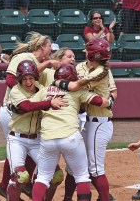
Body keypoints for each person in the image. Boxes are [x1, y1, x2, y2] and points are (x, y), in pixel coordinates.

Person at [31, 64, 114, 201]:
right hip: (70, 137)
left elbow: (29, 105)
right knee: (82, 176)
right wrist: (109, 101)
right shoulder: (77, 91)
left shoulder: (44, 91)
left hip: (48, 138)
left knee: (43, 177)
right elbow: (100, 102)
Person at [0, 32, 60, 200]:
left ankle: (23, 184)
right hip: (12, 110)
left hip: (31, 115)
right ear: (42, 47)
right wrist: (26, 94)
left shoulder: (40, 76)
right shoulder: (24, 57)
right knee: (19, 150)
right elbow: (10, 80)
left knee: (31, 146)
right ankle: (9, 184)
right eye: (49, 47)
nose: (51, 51)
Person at [54, 38, 117, 201]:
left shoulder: (102, 71)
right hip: (87, 121)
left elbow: (76, 87)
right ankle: (67, 198)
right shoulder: (80, 67)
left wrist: (58, 82)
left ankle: (105, 198)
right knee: (74, 166)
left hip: (100, 122)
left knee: (95, 168)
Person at [6, 60, 67, 201]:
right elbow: (26, 106)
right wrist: (49, 103)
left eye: (31, 78)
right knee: (20, 177)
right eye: (25, 79)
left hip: (37, 139)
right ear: (20, 79)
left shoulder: (41, 89)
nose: (28, 82)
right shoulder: (16, 90)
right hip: (17, 139)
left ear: (35, 77)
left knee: (56, 176)